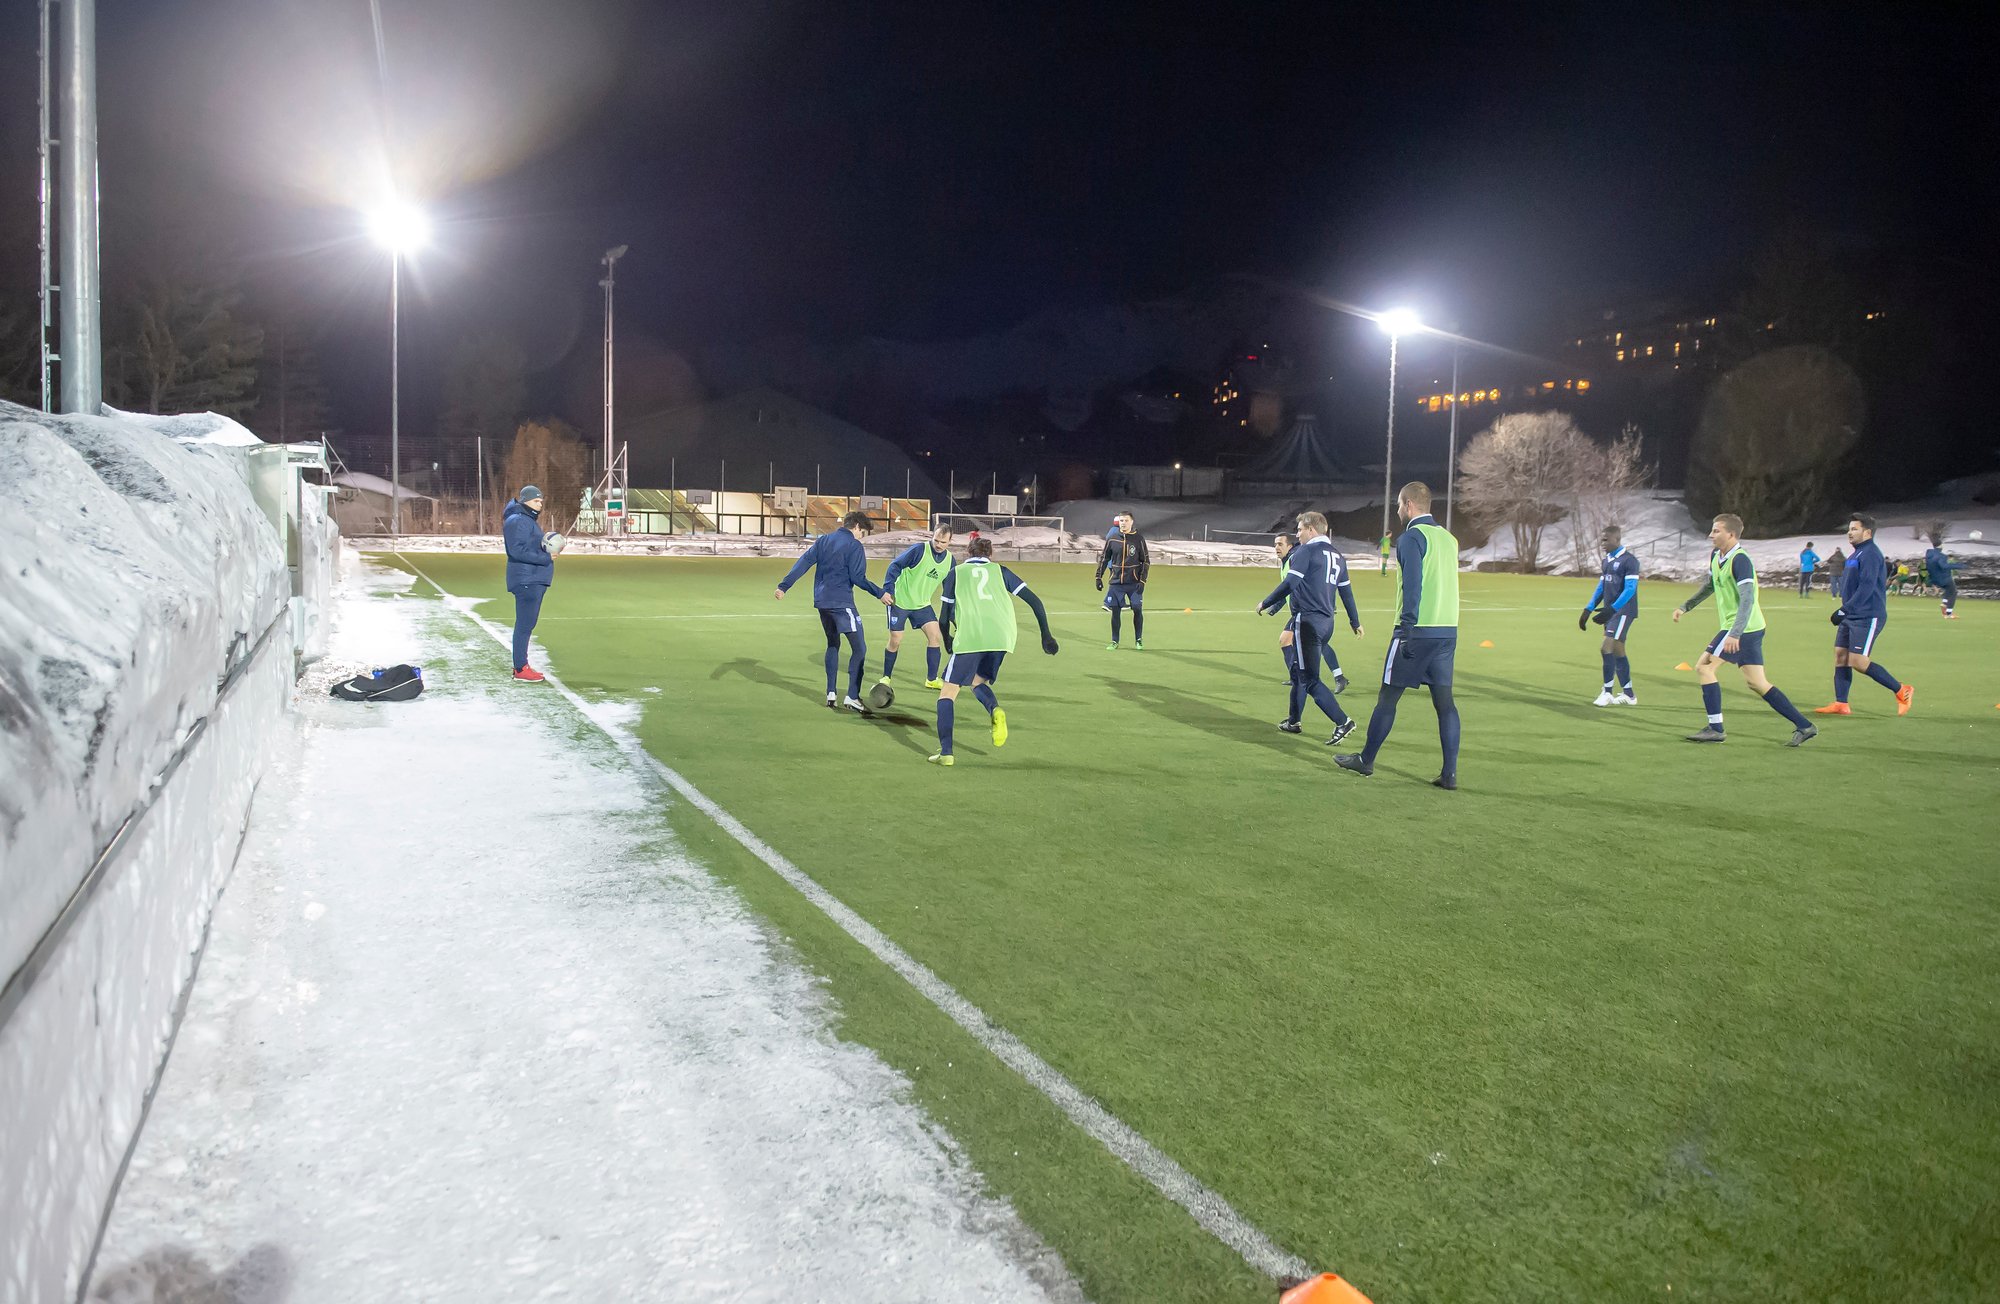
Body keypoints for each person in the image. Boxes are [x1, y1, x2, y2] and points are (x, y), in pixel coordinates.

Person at [1334, 483, 1462, 788]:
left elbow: (1413, 586)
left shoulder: (1411, 538)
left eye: (1398, 505)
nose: (1397, 510)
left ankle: (1366, 760)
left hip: (1416, 631)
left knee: (1388, 697)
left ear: (1409, 505)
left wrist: (1405, 630)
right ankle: (1449, 774)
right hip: (1447, 631)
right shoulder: (1449, 539)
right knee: (1445, 704)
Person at [1671, 513, 1817, 746]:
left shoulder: (1741, 560)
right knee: (1757, 683)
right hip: (1748, 627)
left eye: (1716, 531)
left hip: (1742, 628)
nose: (1711, 535)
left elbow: (1747, 600)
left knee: (1704, 668)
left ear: (1731, 534)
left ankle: (1716, 728)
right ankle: (1805, 726)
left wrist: (1735, 633)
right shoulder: (1716, 556)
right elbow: (1711, 585)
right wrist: (1685, 606)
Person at [928, 537, 1058, 765]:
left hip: (971, 637)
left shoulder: (956, 573)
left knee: (947, 693)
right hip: (1002, 637)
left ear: (968, 552)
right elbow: (1036, 602)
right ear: (991, 554)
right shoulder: (1001, 571)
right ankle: (995, 709)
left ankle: (946, 752)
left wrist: (948, 641)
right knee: (977, 682)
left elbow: (944, 616)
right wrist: (1046, 635)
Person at [1258, 512, 1359, 745]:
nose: (1298, 534)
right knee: (1298, 671)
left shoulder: (1306, 551)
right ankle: (1294, 720)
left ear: (1311, 529)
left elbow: (1290, 583)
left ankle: (1342, 721)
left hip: (1308, 621)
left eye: (1300, 529)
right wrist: (1355, 622)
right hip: (1327, 622)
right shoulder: (1338, 556)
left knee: (1309, 679)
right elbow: (1346, 592)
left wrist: (1266, 602)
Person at [774, 510, 890, 711]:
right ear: (856, 527)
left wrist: (784, 586)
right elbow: (857, 578)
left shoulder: (823, 540)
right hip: (841, 603)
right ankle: (852, 697)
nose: (861, 536)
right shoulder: (854, 545)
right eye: (862, 532)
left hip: (822, 602)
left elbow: (804, 563)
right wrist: (879, 593)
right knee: (860, 649)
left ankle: (831, 694)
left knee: (833, 644)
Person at [1813, 513, 1913, 716]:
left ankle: (1902, 689)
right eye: (1849, 529)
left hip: (1868, 615)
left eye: (1855, 529)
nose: (1850, 533)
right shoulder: (1856, 554)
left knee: (1858, 661)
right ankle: (1841, 703)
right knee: (1841, 656)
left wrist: (1844, 609)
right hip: (1852, 614)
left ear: (1867, 532)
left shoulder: (1871, 554)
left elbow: (1867, 587)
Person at [879, 523, 955, 690]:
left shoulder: (950, 561)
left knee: (935, 637)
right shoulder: (919, 550)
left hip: (922, 605)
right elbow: (895, 566)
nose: (938, 545)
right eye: (936, 540)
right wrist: (888, 590)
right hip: (900, 601)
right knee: (896, 640)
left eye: (943, 542)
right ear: (932, 537)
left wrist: (955, 612)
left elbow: (950, 589)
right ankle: (886, 677)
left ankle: (932, 679)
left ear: (950, 541)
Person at [1274, 532, 1350, 691]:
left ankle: (1302, 679)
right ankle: (1336, 677)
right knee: (1312, 644)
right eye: (1275, 544)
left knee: (1288, 640)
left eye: (1280, 544)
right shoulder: (1287, 560)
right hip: (1305, 610)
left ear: (1290, 546)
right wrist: (1275, 607)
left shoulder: (1296, 558)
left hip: (1309, 610)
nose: (1276, 548)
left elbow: (1302, 584)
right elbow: (1288, 588)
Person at [1579, 525, 1640, 705]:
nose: (1602, 543)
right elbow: (1602, 587)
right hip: (1611, 612)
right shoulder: (1607, 560)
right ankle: (1629, 694)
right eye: (1601, 540)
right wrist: (1588, 609)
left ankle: (1607, 692)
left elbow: (1630, 589)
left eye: (1606, 540)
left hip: (1623, 612)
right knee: (1618, 650)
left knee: (1606, 648)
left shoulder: (1630, 561)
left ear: (1617, 540)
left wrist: (1612, 609)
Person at [503, 486, 556, 681]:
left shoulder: (524, 520)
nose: (540, 504)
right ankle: (520, 668)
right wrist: (546, 557)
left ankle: (521, 666)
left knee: (527, 624)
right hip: (527, 579)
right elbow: (517, 550)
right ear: (525, 501)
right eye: (536, 501)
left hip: (532, 578)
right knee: (525, 624)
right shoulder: (518, 520)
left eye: (541, 501)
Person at [1095, 511, 1150, 649]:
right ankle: (1114, 641)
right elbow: (1104, 558)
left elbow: (1146, 561)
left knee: (1137, 609)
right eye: (1121, 521)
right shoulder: (1112, 538)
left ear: (1132, 522)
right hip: (1116, 583)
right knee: (1115, 612)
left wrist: (1142, 581)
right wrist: (1098, 576)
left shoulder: (1139, 539)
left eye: (1126, 520)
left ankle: (1138, 640)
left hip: (1134, 583)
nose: (1123, 523)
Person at [1925, 533, 1964, 618]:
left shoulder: (1929, 554)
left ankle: (1944, 603)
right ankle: (1949, 613)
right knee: (1954, 592)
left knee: (1948, 590)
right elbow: (1944, 566)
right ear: (1941, 545)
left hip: (1935, 578)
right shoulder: (1941, 556)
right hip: (1944, 577)